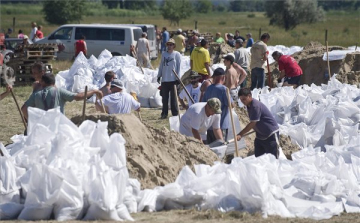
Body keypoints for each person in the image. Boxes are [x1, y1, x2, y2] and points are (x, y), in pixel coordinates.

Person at [21, 73, 103, 120]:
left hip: (43, 127)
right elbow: (79, 96)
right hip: (58, 126)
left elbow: (23, 109)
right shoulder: (59, 91)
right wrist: (94, 91)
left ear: (43, 82)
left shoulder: (36, 94)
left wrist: (31, 121)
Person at [236, 88, 279, 158]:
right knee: (259, 159)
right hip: (260, 136)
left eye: (244, 99)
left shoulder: (255, 106)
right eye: (241, 100)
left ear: (249, 96)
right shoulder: (248, 106)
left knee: (273, 159)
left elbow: (253, 123)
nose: (242, 101)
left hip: (270, 134)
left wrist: (240, 134)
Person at [202, 67, 230, 143]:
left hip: (209, 126)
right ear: (223, 77)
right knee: (221, 147)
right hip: (221, 125)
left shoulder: (208, 88)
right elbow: (230, 105)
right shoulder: (224, 89)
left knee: (211, 149)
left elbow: (203, 103)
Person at [157, 38, 181, 119]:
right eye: (168, 44)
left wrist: (178, 78)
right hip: (165, 79)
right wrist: (159, 75)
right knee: (164, 98)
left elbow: (178, 67)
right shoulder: (164, 54)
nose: (169, 46)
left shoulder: (177, 54)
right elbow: (161, 65)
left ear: (174, 46)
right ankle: (164, 113)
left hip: (173, 79)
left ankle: (175, 114)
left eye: (171, 44)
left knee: (173, 98)